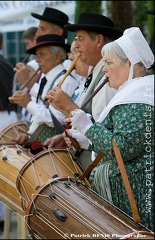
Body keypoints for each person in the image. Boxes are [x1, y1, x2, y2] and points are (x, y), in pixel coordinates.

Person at [63, 27, 154, 232]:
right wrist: (87, 139)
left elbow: (123, 148)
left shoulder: (139, 99)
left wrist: (88, 126)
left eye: (109, 63)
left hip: (138, 199)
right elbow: (118, 141)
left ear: (129, 63)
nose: (104, 69)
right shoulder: (133, 95)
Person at [44, 12, 122, 169]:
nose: (76, 45)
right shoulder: (96, 72)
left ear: (98, 40)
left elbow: (103, 134)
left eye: (80, 38)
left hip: (98, 171)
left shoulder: (108, 78)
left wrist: (67, 106)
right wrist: (70, 135)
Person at [9, 34, 78, 149]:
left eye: (41, 55)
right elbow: (41, 116)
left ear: (57, 56)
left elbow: (57, 120)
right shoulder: (46, 78)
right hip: (42, 149)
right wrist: (30, 134)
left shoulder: (65, 81)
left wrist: (28, 103)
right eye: (37, 55)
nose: (37, 60)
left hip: (52, 152)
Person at [14, 7, 81, 90]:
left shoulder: (71, 61)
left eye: (43, 29)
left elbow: (51, 98)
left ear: (59, 32)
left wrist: (27, 82)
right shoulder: (49, 61)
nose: (37, 34)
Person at [0, 29, 18, 235]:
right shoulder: (6, 63)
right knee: (3, 167)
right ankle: (3, 216)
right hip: (10, 119)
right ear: (1, 44)